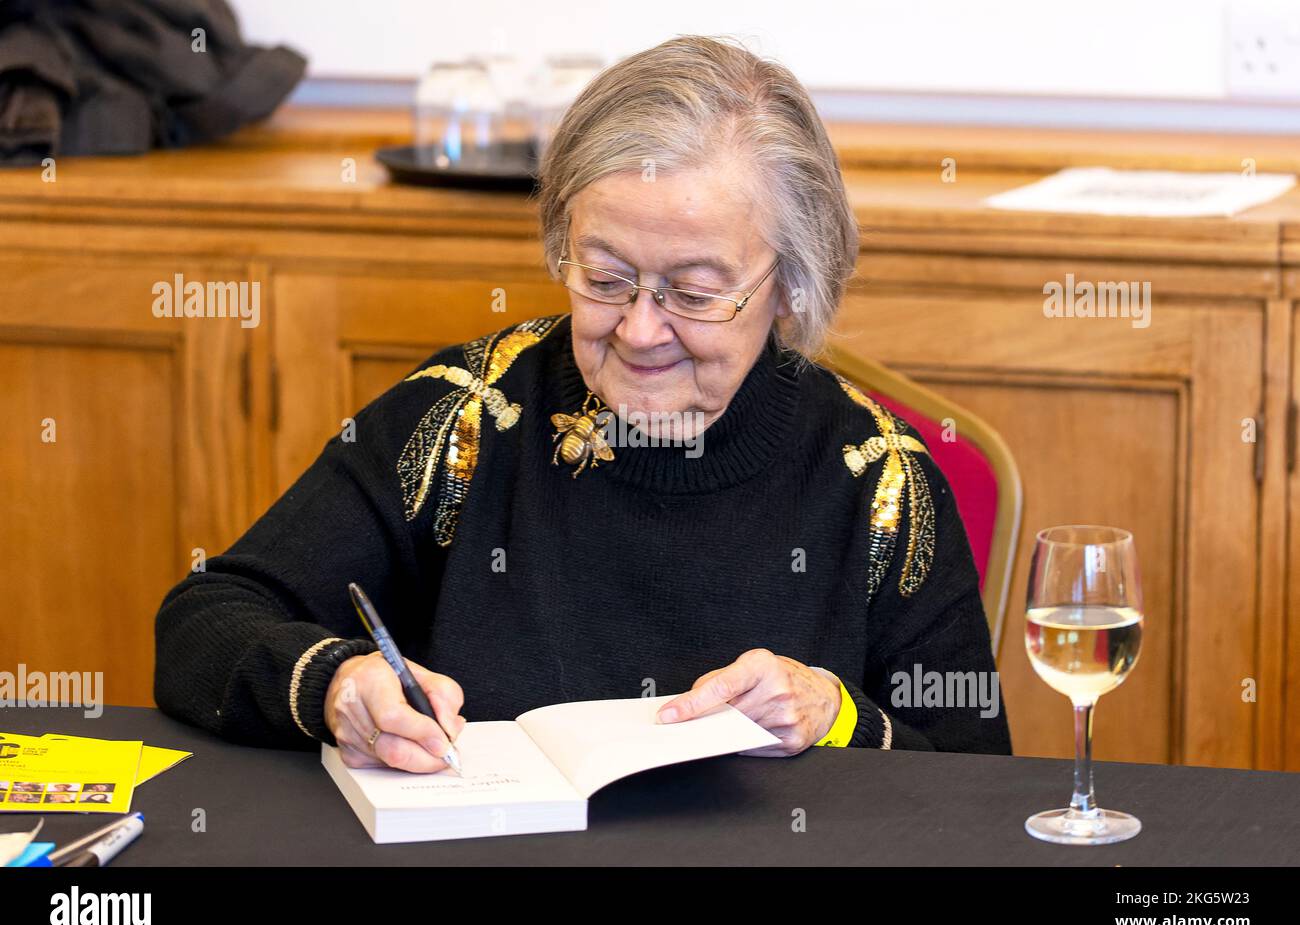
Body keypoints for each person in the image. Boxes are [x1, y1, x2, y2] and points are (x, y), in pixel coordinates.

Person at [155, 35, 1011, 772]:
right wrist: (339, 685)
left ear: (790, 284)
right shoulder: (469, 418)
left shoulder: (877, 477)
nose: (639, 332)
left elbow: (979, 781)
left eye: (695, 292)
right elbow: (202, 624)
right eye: (604, 279)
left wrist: (837, 718)